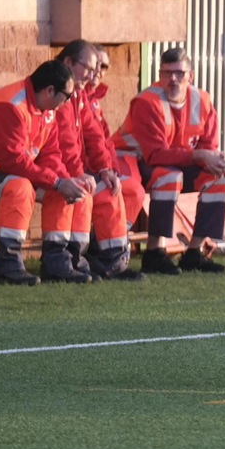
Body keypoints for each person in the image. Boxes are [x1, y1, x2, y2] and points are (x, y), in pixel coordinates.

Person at [0, 62, 91, 285]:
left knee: (63, 192)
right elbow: (14, 162)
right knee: (21, 187)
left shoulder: (46, 109)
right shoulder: (8, 105)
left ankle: (59, 263)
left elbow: (50, 154)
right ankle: (9, 266)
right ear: (49, 90)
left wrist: (64, 181)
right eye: (67, 96)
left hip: (1, 170)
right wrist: (57, 181)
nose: (69, 101)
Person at [112, 47, 225, 276]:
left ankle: (194, 253)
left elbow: (208, 144)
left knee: (219, 174)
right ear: (159, 75)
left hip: (174, 160)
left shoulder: (203, 100)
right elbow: (155, 155)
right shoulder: (146, 102)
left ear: (191, 75)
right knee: (168, 176)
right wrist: (199, 155)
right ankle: (154, 253)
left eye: (179, 73)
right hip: (133, 159)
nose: (173, 79)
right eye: (167, 73)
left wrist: (212, 157)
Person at [50, 40, 140, 281]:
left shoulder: (79, 94)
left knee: (110, 190)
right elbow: (65, 140)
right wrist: (79, 172)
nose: (92, 75)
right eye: (88, 68)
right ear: (68, 62)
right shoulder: (58, 90)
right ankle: (73, 260)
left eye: (96, 69)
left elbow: (95, 136)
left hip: (73, 169)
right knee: (85, 191)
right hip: (55, 169)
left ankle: (113, 262)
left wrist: (105, 169)